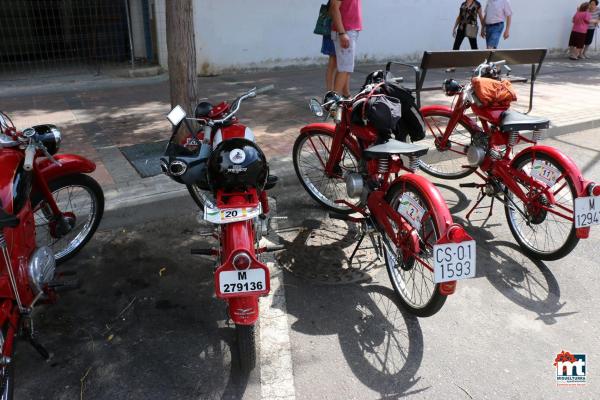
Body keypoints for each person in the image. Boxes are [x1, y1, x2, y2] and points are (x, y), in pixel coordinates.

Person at [330, 0, 363, 97]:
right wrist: (342, 33)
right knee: (345, 68)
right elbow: (334, 7)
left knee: (346, 67)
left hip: (350, 30)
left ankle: (346, 96)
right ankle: (333, 105)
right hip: (345, 31)